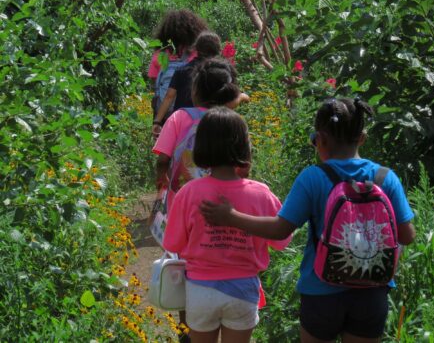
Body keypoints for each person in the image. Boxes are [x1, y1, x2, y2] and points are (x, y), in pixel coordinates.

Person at [200, 97, 416, 343]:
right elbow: (407, 235)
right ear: (362, 138)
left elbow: (281, 229)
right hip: (372, 293)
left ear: (320, 140)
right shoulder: (385, 178)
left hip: (321, 291)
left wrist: (232, 217)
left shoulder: (313, 177)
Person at [163, 107, 291, 343]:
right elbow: (282, 240)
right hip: (243, 290)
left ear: (201, 146)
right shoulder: (261, 193)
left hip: (200, 289)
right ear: (244, 146)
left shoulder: (189, 192)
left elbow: (172, 242)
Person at [153, 58, 247, 208]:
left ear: (195, 92)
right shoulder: (234, 121)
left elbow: (163, 159)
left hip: (181, 197)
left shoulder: (179, 117)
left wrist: (161, 177)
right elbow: (244, 167)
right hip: (221, 202)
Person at [152, 31, 220, 139]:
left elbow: (169, 96)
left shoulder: (182, 70)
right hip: (208, 122)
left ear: (196, 48)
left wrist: (157, 121)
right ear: (217, 50)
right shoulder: (218, 72)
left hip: (182, 120)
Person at [148, 9, 208, 119]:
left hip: (162, 113)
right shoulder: (196, 53)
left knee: (162, 136)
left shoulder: (159, 55)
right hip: (188, 112)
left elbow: (153, 80)